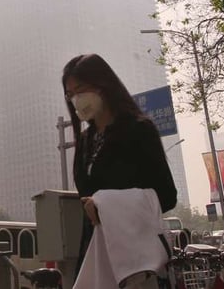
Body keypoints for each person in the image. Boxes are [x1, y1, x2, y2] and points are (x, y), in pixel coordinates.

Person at [63, 54, 177, 284]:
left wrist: (106, 202)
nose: (76, 99)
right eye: (70, 94)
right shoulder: (85, 141)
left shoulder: (138, 130)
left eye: (81, 89)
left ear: (103, 85)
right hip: (96, 252)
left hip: (137, 259)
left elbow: (166, 196)